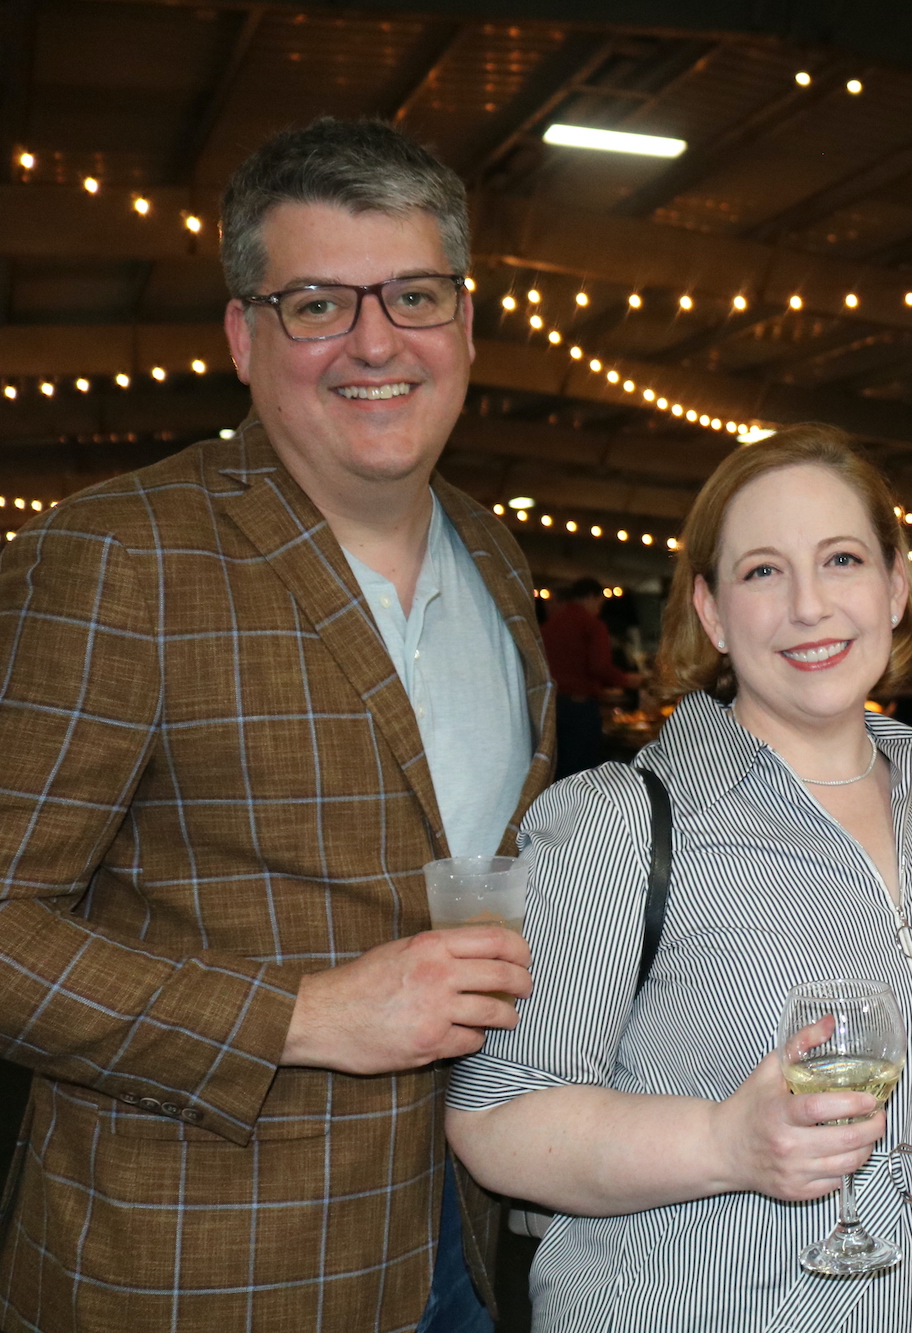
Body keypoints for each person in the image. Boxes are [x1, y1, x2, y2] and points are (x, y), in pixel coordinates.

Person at [0, 117, 552, 1330]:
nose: (375, 343)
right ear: (245, 338)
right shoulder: (119, 556)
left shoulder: (498, 561)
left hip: (456, 1241)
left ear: (465, 323)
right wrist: (305, 1017)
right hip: (199, 1270)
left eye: (413, 296)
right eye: (317, 305)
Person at [445, 426, 912, 1331]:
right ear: (711, 611)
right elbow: (495, 1116)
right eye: (762, 572)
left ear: (895, 585)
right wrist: (724, 1141)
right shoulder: (623, 821)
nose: (809, 606)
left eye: (841, 559)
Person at [542, 576, 644, 779]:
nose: (599, 609)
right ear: (591, 597)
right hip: (580, 710)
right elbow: (600, 667)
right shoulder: (592, 625)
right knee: (582, 774)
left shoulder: (548, 627)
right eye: (599, 603)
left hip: (551, 708)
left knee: (557, 771)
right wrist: (627, 680)